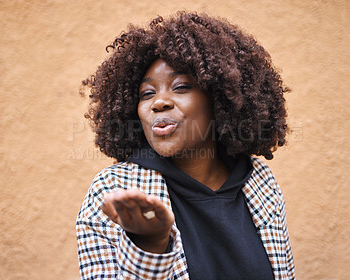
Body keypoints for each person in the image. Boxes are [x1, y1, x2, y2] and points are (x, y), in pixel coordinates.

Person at [76, 11, 295, 280]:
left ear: (220, 98)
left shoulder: (260, 183)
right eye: (147, 94)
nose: (159, 102)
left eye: (180, 87)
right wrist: (151, 249)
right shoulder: (112, 191)